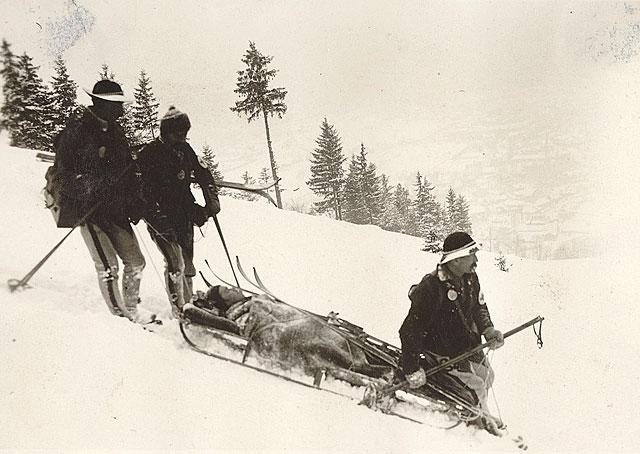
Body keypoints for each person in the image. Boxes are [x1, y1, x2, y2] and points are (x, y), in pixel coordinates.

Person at [52, 79, 154, 324]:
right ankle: (120, 321)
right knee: (109, 267)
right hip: (90, 211)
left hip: (116, 210)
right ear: (100, 103)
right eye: (116, 104)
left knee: (136, 262)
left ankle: (131, 310)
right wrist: (90, 186)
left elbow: (127, 171)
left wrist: (136, 200)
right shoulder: (77, 132)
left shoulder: (116, 132)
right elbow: (62, 175)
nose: (121, 110)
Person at [399, 231, 504, 434]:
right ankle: (480, 420)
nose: (476, 259)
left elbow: (479, 308)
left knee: (487, 376)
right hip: (438, 353)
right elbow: (410, 330)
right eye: (471, 254)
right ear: (454, 260)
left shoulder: (470, 278)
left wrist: (489, 330)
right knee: (477, 385)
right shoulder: (430, 288)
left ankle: (481, 410)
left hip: (464, 346)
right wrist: (411, 368)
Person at [182, 285, 392, 378]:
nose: (235, 290)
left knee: (332, 333)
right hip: (278, 336)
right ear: (223, 302)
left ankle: (377, 361)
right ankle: (364, 369)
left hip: (294, 324)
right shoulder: (237, 314)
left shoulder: (251, 301)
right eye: (227, 291)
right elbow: (240, 329)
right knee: (317, 343)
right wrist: (193, 310)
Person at [136, 106, 220, 317]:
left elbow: (204, 175)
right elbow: (142, 193)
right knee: (175, 262)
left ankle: (189, 303)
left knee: (187, 262)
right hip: (159, 216)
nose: (182, 137)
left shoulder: (185, 150)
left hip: (183, 213)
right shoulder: (149, 154)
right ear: (166, 132)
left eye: (185, 133)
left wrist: (211, 203)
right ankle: (179, 310)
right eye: (178, 133)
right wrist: (157, 220)